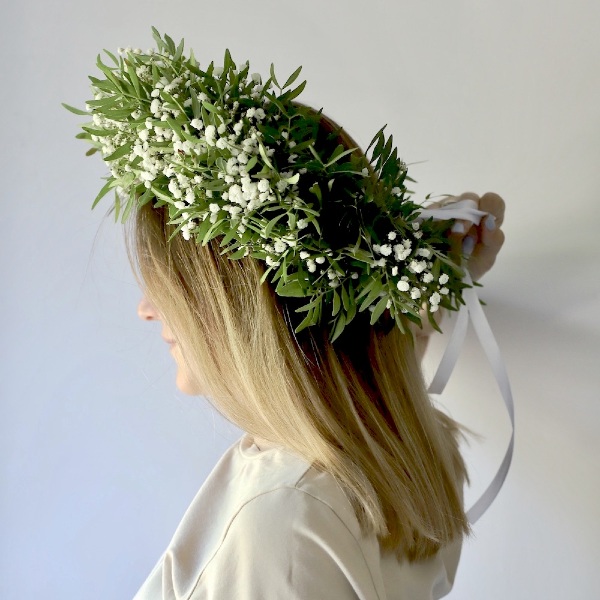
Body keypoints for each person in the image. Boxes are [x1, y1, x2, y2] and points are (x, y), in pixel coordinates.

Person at [67, 33, 505, 599]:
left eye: (168, 290)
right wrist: (426, 265)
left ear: (237, 312)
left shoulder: (282, 523)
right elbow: (347, 339)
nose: (146, 310)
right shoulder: (393, 445)